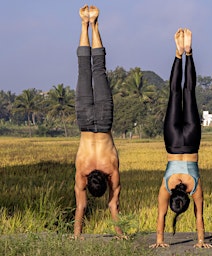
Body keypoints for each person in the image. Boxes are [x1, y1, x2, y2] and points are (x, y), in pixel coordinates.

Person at [149, 28, 212, 249]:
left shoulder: (194, 188)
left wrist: (201, 241)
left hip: (192, 139)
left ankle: (188, 52)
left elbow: (199, 218)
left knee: (188, 92)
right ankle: (178, 54)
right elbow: (161, 216)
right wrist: (159, 240)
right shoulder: (167, 187)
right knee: (175, 93)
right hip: (173, 140)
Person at [73, 5, 124, 240]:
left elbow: (114, 205)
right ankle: (85, 24)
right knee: (85, 71)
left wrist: (119, 232)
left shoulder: (111, 171)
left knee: (99, 70)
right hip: (84, 121)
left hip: (103, 121)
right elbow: (81, 208)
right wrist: (77, 234)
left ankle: (93, 24)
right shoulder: (81, 173)